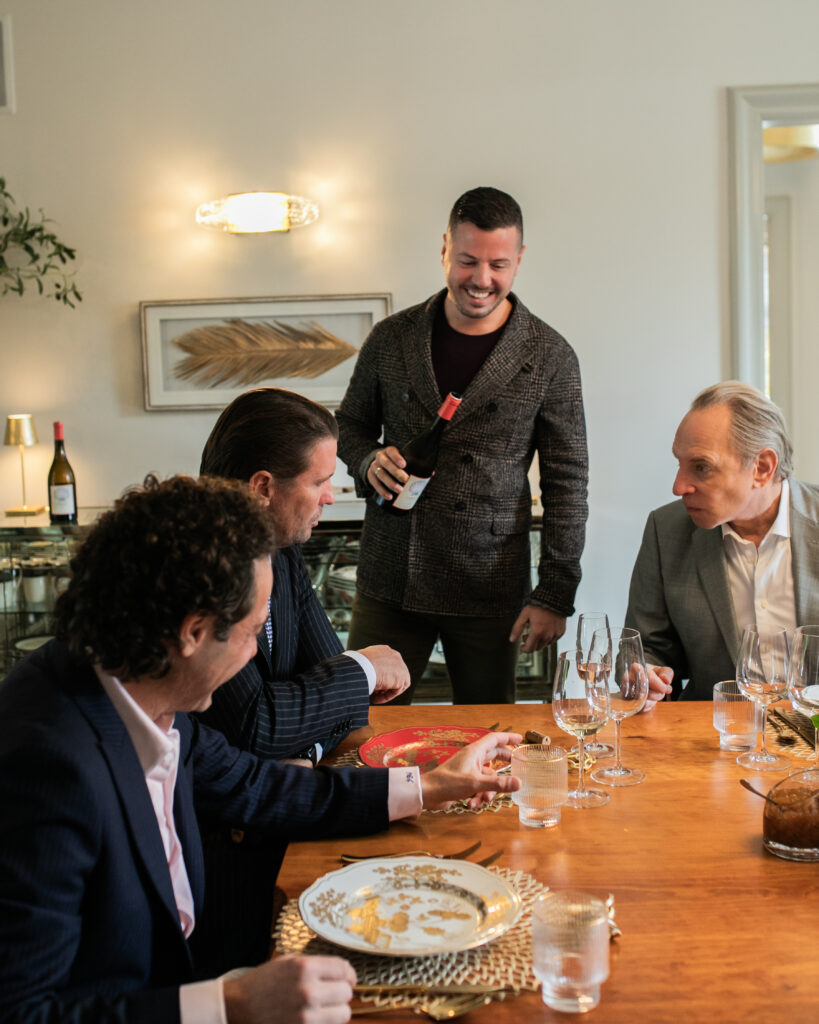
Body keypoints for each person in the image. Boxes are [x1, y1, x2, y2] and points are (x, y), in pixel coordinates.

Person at [0, 474, 520, 1024]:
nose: (254, 656)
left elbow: (255, 785)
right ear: (193, 632)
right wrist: (231, 1005)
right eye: (251, 632)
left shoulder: (137, 686)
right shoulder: (47, 768)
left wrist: (432, 784)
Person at [336, 186, 589, 703]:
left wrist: (556, 592)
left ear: (519, 260)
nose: (481, 279)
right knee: (363, 726)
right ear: (445, 249)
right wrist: (366, 460)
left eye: (498, 264)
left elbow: (568, 482)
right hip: (391, 576)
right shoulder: (391, 337)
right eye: (469, 260)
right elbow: (348, 425)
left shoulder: (550, 356)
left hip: (489, 583)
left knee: (489, 736)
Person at [195, 387, 410, 972]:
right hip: (218, 857)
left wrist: (306, 750)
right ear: (263, 487)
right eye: (318, 482)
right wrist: (363, 667)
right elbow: (260, 724)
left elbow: (338, 697)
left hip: (279, 809)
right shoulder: (201, 572)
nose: (331, 496)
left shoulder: (282, 552)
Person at [625, 381, 819, 707]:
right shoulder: (666, 530)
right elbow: (645, 646)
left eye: (701, 467)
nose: (679, 486)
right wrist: (645, 673)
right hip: (713, 735)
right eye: (679, 463)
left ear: (762, 468)